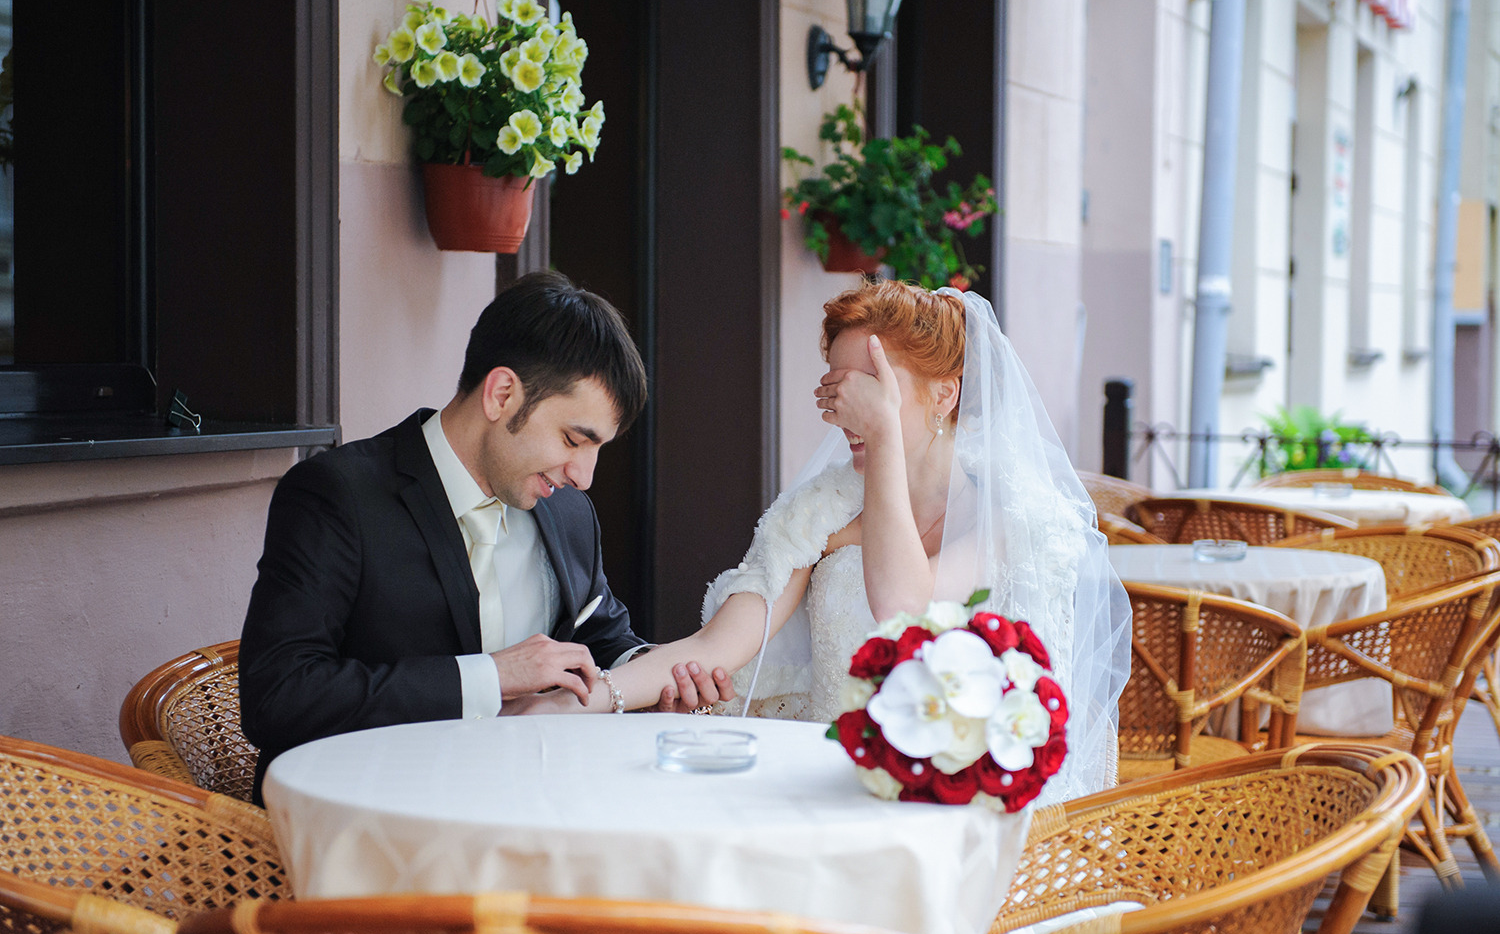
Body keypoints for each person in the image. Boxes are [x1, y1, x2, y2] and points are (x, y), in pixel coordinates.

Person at [513, 280, 1131, 803]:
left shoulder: (1012, 517)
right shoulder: (821, 511)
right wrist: (582, 703)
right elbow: (716, 644)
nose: (844, 410)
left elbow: (908, 612)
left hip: (967, 803)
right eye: (837, 385)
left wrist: (885, 431)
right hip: (822, 790)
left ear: (945, 394)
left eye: (871, 385)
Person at [239, 271, 731, 802]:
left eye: (598, 449)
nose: (584, 476)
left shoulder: (568, 513)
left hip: (532, 809)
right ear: (501, 394)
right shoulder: (337, 496)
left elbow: (605, 643)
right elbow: (279, 698)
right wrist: (489, 677)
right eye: (573, 439)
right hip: (371, 824)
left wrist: (654, 685)